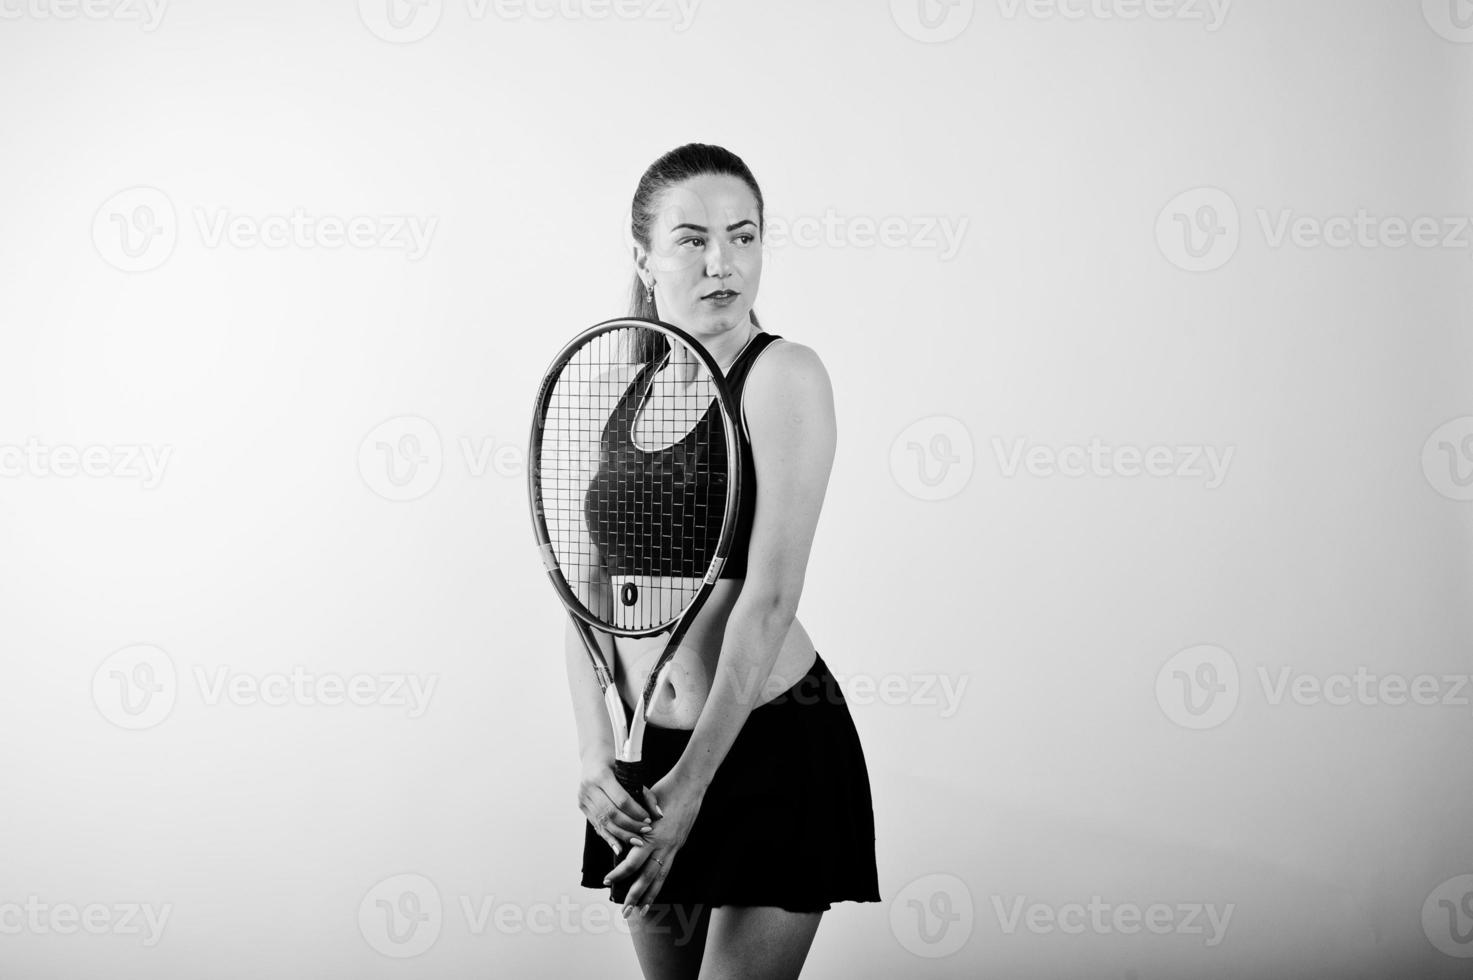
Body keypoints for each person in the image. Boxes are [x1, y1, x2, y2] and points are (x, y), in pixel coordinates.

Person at [567, 143, 879, 980]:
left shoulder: (782, 377)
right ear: (644, 258)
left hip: (765, 749)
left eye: (743, 237)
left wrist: (695, 787)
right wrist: (596, 749)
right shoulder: (620, 389)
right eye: (692, 239)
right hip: (645, 758)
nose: (722, 263)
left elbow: (769, 600)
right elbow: (586, 595)